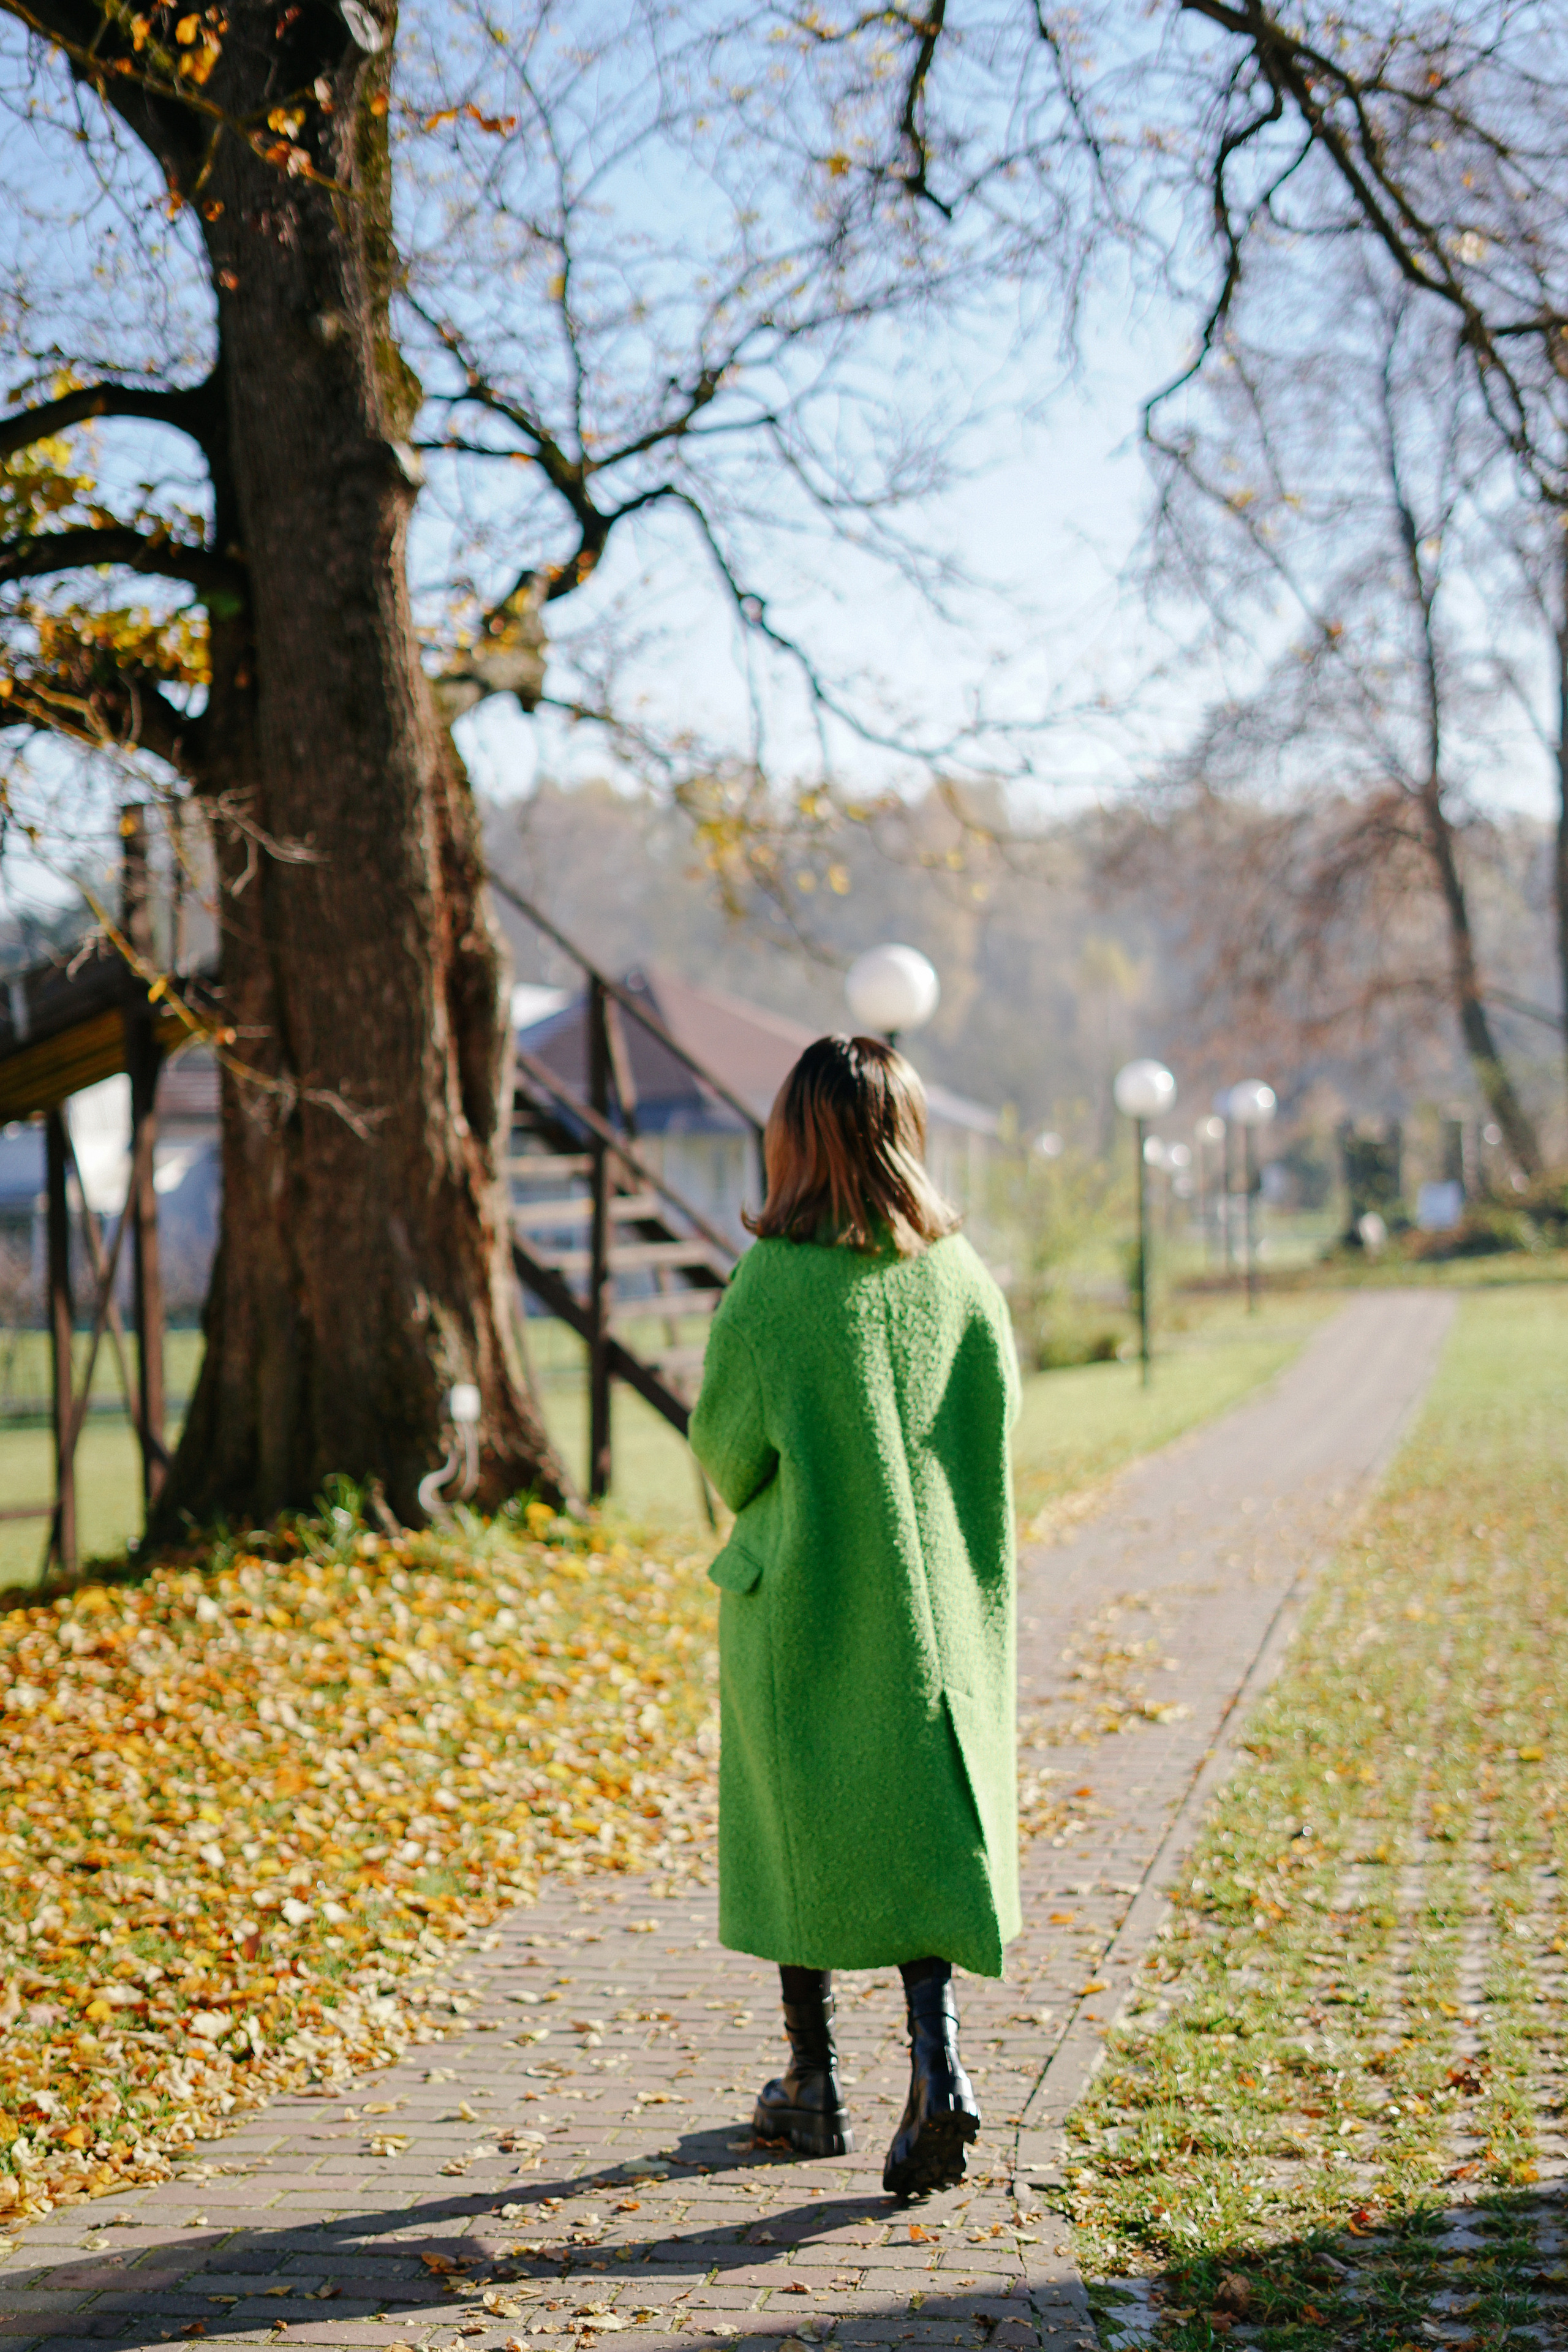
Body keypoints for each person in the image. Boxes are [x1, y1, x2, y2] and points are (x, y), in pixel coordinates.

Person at [689, 1033, 1020, 2200]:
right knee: (920, 1826)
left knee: (802, 1825)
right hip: (931, 1609)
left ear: (794, 1141)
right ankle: (937, 2062)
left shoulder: (775, 1286)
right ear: (904, 1135)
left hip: (807, 1602)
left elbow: (730, 1454)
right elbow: (998, 1423)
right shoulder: (959, 1277)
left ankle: (811, 2082)